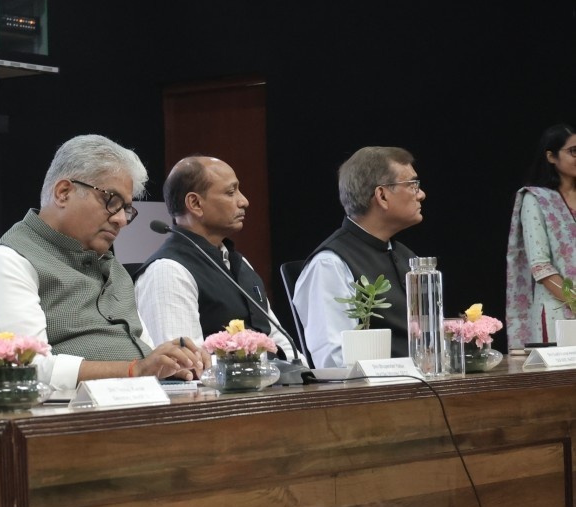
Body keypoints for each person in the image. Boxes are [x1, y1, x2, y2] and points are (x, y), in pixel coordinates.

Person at [0, 134, 209, 392]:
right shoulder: (7, 262)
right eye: (111, 201)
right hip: (67, 422)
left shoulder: (114, 268)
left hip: (141, 405)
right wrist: (136, 370)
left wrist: (171, 365)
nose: (121, 220)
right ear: (64, 192)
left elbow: (144, 352)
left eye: (126, 208)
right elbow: (25, 370)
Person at [135, 155, 296, 359]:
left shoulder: (238, 263)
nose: (244, 201)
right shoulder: (167, 271)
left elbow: (279, 340)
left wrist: (303, 373)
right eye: (230, 192)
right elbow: (185, 365)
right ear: (195, 203)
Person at [295, 146, 424, 368]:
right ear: (382, 195)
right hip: (377, 397)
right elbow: (334, 361)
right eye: (412, 185)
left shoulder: (405, 255)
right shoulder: (330, 264)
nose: (421, 194)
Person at [506, 124, 576, 347]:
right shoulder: (536, 200)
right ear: (551, 157)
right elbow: (541, 267)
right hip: (558, 310)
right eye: (573, 151)